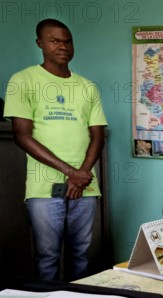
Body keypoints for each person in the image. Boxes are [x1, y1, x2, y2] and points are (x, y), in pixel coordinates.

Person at [4, 19, 107, 281]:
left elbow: (97, 135)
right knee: (47, 256)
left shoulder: (87, 87)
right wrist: (71, 172)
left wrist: (81, 175)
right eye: (55, 41)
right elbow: (21, 135)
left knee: (80, 255)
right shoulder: (23, 80)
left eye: (67, 41)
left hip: (85, 187)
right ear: (40, 43)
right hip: (44, 187)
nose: (63, 46)